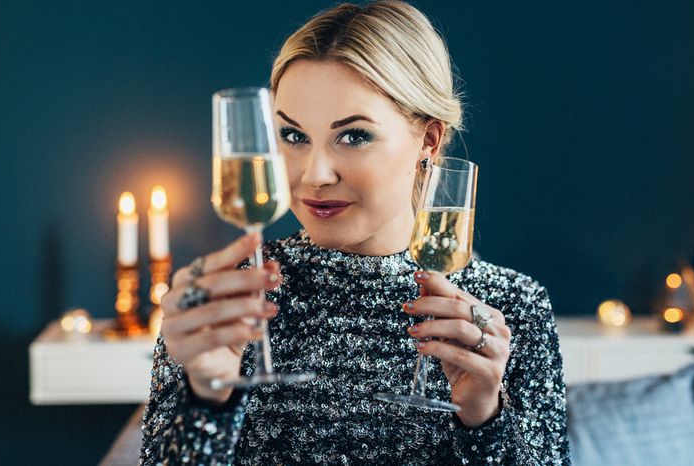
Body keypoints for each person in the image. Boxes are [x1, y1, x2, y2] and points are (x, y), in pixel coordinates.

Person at [140, 1, 570, 464]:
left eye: (354, 136)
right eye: (293, 136)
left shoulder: (510, 310)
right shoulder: (224, 302)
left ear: (429, 140)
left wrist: (485, 417)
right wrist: (204, 398)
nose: (314, 175)